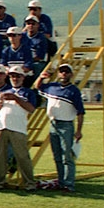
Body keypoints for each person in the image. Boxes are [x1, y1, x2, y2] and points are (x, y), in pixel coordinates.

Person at [35, 64, 84, 192]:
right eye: (61, 72)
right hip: (53, 124)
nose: (63, 74)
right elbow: (38, 87)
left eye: (66, 72)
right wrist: (41, 77)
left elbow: (80, 112)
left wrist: (79, 130)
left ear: (71, 75)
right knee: (57, 156)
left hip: (66, 125)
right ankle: (62, 182)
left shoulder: (73, 90)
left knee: (66, 156)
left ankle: (69, 184)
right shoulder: (52, 87)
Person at [0, 65, 38, 191]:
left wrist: (16, 99)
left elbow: (31, 109)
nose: (14, 78)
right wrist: (0, 102)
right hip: (1, 126)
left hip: (18, 128)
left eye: (17, 76)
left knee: (22, 156)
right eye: (12, 76)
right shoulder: (4, 92)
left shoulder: (27, 92)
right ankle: (0, 181)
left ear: (23, 77)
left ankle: (29, 183)